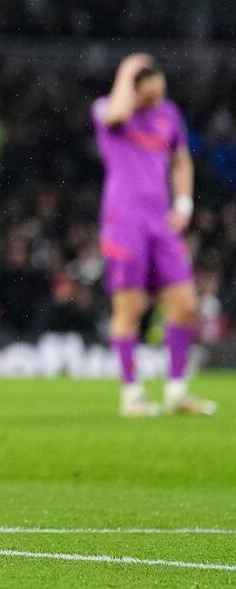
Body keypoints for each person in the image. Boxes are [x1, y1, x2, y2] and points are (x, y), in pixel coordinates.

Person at [93, 54, 215, 418]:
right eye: (148, 90)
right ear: (133, 87)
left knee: (186, 305)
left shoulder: (169, 114)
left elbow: (181, 160)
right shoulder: (108, 110)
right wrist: (127, 70)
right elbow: (115, 113)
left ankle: (177, 392)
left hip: (160, 222)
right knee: (129, 309)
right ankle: (131, 395)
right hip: (123, 221)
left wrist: (183, 205)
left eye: (160, 89)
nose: (156, 97)